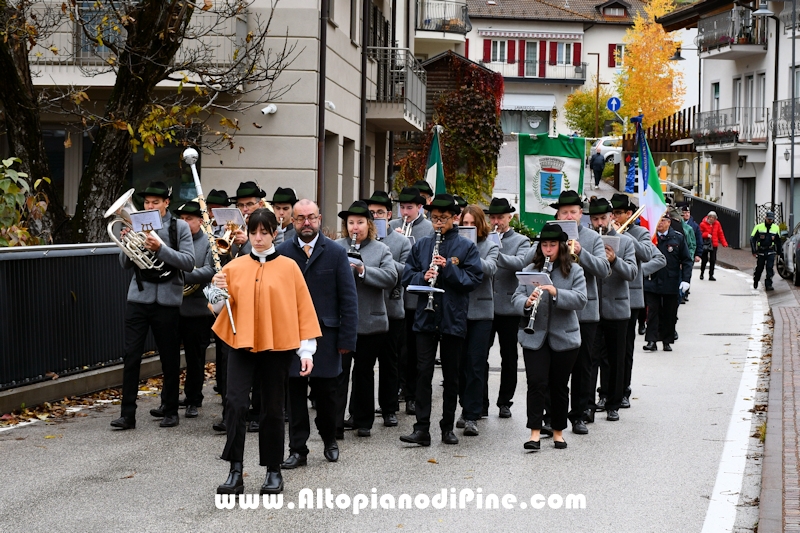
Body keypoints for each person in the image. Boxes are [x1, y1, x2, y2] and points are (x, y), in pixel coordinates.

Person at [212, 208, 321, 496]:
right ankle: (235, 470)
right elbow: (216, 308)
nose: (258, 238)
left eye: (264, 232)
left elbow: (302, 309)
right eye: (253, 232)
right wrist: (215, 290)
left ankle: (273, 470)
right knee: (235, 404)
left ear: (275, 232)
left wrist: (306, 350)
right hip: (241, 343)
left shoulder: (289, 267)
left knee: (273, 408)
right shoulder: (233, 267)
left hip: (278, 346)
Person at [277, 199, 358, 469]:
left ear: (320, 218)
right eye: (300, 218)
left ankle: (329, 439)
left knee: (326, 396)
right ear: (292, 221)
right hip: (290, 336)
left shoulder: (335, 252)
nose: (306, 223)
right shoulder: (282, 252)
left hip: (328, 338)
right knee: (295, 398)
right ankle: (297, 449)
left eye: (311, 217)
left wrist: (347, 340)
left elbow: (348, 299)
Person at [110, 181, 195, 431]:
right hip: (139, 297)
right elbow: (126, 264)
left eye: (155, 203)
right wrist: (126, 244)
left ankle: (170, 410)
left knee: (169, 357)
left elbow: (189, 262)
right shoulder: (134, 223)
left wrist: (161, 249)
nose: (149, 206)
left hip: (167, 300)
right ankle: (127, 414)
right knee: (131, 356)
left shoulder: (179, 227)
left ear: (166, 203)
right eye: (146, 202)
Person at [400, 194, 483, 446]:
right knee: (423, 371)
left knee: (452, 375)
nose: (438, 223)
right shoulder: (422, 245)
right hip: (426, 316)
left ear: (454, 218)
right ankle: (421, 429)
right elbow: (407, 276)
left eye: (443, 219)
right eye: (434, 218)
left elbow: (473, 279)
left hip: (452, 317)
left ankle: (447, 427)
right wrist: (422, 277)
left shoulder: (466, 247)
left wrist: (448, 268)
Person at [526, 190, 610, 435]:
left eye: (574, 212)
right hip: (554, 312)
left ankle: (580, 414)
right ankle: (552, 417)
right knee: (553, 368)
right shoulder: (548, 237)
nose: (569, 215)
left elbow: (604, 270)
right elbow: (532, 262)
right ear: (558, 214)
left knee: (584, 366)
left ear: (581, 214)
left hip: (585, 311)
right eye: (565, 212)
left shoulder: (592, 237)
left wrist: (582, 253)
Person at [512, 223, 587, 451]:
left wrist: (555, 292)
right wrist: (526, 302)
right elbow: (515, 297)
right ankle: (534, 433)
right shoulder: (530, 269)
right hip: (534, 336)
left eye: (552, 245)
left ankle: (558, 432)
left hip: (564, 338)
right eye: (544, 245)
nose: (548, 249)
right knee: (536, 382)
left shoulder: (574, 270)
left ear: (561, 246)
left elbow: (581, 300)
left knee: (559, 385)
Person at [334, 201, 397, 437]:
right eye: (351, 223)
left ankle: (363, 421)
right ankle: (336, 422)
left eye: (360, 222)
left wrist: (362, 271)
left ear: (369, 225)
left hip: (371, 322)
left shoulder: (381, 250)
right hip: (343, 321)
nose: (355, 227)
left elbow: (391, 278)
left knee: (364, 372)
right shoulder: (336, 247)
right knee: (339, 373)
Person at [610, 194, 665, 410]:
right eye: (612, 213)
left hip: (630, 298)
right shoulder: (603, 231)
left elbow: (654, 257)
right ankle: (606, 392)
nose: (614, 216)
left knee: (625, 348)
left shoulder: (640, 233)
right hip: (606, 296)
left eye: (618, 213)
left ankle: (624, 390)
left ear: (628, 214)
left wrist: (637, 274)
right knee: (605, 350)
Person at [586, 198, 637, 423]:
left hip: (617, 307)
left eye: (603, 218)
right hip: (593, 307)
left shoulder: (625, 242)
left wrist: (615, 260)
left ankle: (613, 403)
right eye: (595, 219)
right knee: (590, 359)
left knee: (616, 359)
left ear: (611, 218)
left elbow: (632, 273)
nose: (600, 222)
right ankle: (588, 404)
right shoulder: (585, 241)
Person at [366, 191, 411, 427]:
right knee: (364, 364)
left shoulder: (401, 241)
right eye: (371, 213)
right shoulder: (363, 240)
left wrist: (381, 254)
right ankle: (359, 410)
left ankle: (389, 408)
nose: (375, 217)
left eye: (380, 213)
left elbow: (406, 271)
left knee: (389, 361)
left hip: (392, 309)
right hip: (368, 310)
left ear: (389, 215)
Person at [390, 187, 434, 416]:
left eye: (410, 207)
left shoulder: (428, 229)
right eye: (402, 207)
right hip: (398, 297)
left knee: (416, 350)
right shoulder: (392, 226)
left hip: (417, 296)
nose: (405, 212)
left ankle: (413, 395)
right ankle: (399, 387)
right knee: (400, 348)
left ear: (420, 208)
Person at [456, 204, 499, 436]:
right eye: (465, 224)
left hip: (481, 313)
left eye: (473, 224)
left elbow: (490, 269)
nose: (469, 227)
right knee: (460, 364)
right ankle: (464, 406)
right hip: (458, 311)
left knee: (475, 363)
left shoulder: (490, 246)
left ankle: (472, 414)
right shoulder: (454, 244)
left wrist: (469, 253)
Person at [487, 197, 531, 419]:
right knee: (478, 357)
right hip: (485, 306)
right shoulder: (483, 237)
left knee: (509, 356)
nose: (496, 221)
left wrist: (495, 251)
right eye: (493, 217)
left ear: (510, 218)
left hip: (509, 307)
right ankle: (479, 400)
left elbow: (520, 263)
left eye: (500, 217)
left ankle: (505, 401)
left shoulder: (521, 240)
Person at [175, 201, 216, 419]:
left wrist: (180, 274)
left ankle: (193, 398)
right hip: (175, 304)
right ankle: (170, 399)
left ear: (200, 221)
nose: (184, 223)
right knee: (171, 356)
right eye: (181, 219)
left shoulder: (208, 240)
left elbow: (211, 270)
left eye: (189, 219)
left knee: (195, 357)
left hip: (198, 308)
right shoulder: (175, 240)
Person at [643, 213, 693, 352]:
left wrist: (686, 280)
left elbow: (687, 260)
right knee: (653, 311)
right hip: (652, 281)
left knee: (669, 313)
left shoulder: (677, 238)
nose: (660, 223)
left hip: (671, 281)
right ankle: (651, 340)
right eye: (657, 220)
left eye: (663, 220)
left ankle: (667, 340)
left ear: (669, 222)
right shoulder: (650, 238)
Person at [751, 211, 782, 291]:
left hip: (770, 250)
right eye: (768, 219)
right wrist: (754, 251)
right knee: (759, 268)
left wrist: (779, 252)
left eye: (771, 219)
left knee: (769, 268)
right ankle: (756, 280)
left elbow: (778, 241)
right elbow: (752, 239)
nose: (769, 221)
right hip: (761, 250)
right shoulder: (758, 227)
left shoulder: (776, 228)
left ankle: (768, 284)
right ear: (765, 218)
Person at [699, 211, 728, 281]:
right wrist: (706, 235)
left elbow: (720, 233)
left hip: (714, 244)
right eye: (711, 217)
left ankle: (711, 275)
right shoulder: (703, 224)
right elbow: (700, 233)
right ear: (708, 217)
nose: (712, 219)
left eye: (713, 218)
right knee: (704, 260)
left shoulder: (717, 224)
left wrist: (724, 243)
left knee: (713, 260)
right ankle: (702, 273)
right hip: (706, 243)